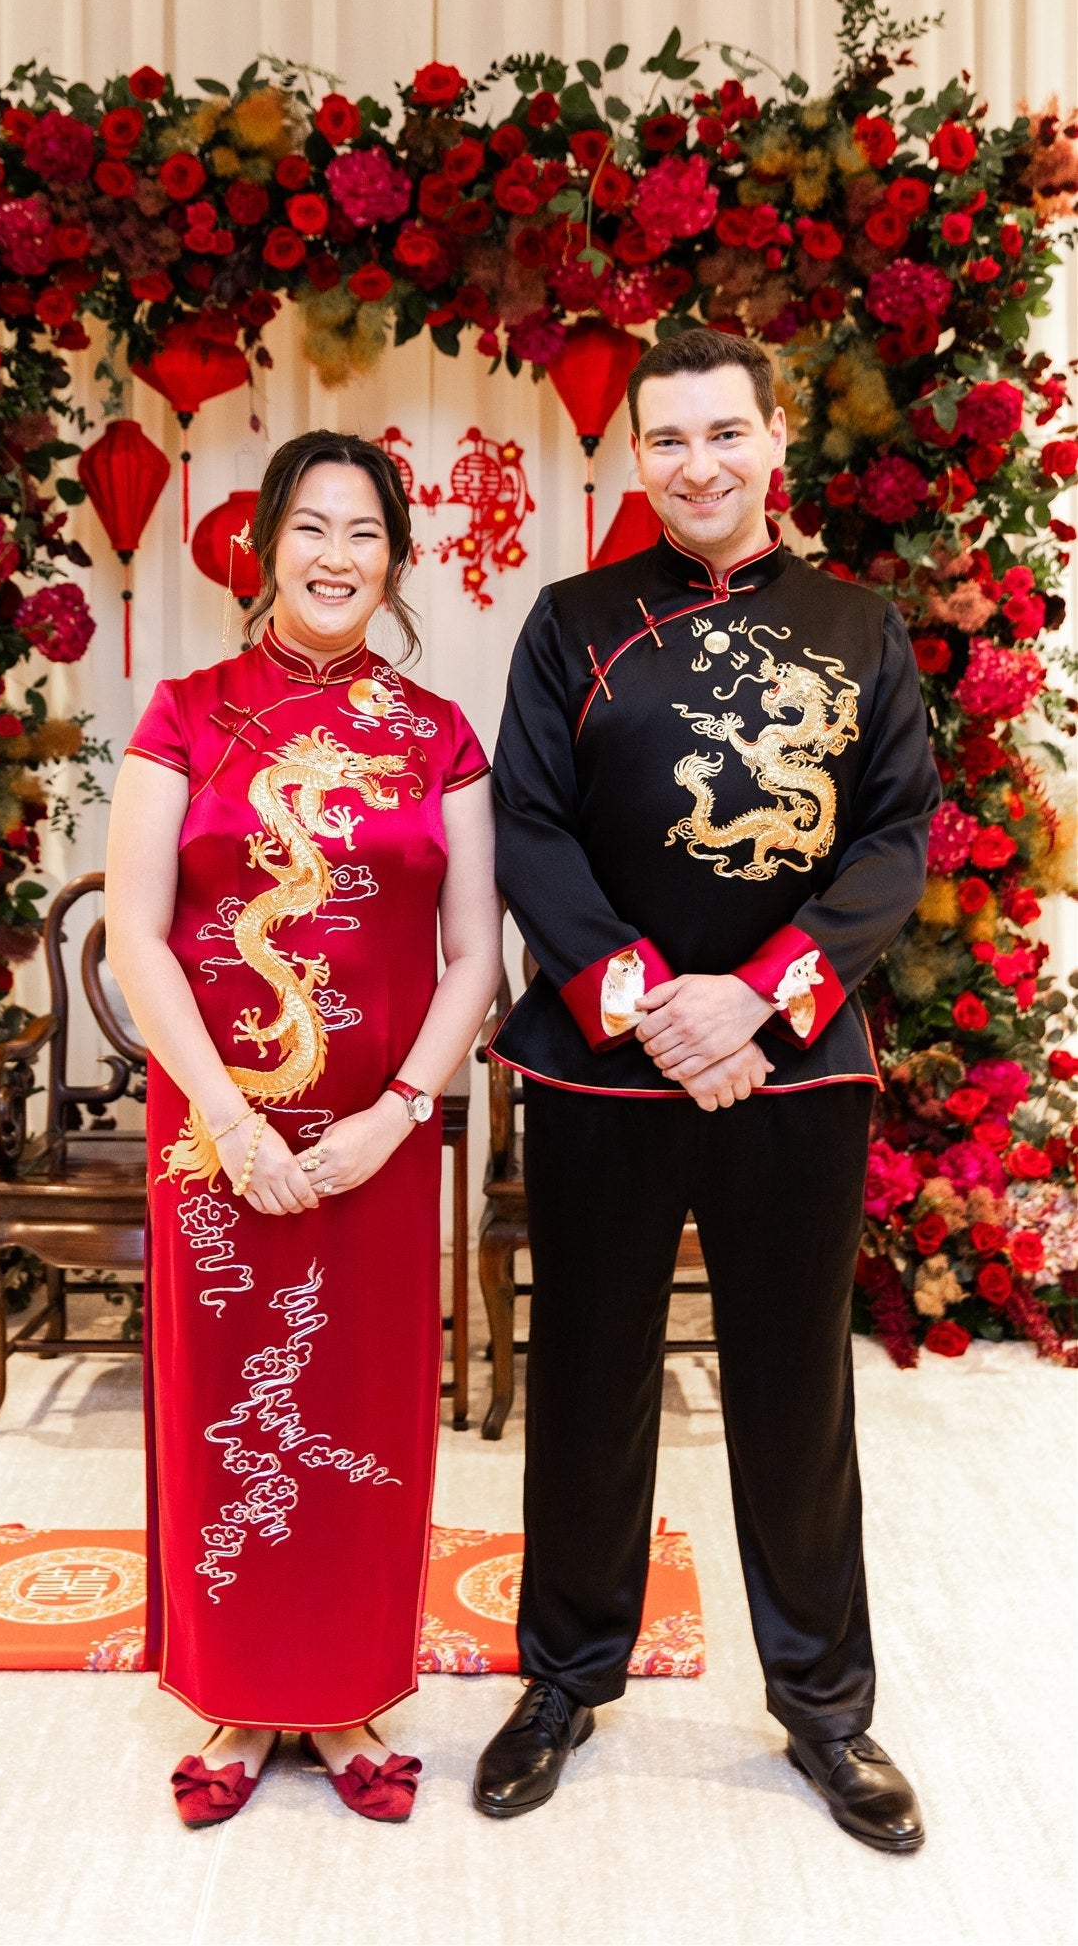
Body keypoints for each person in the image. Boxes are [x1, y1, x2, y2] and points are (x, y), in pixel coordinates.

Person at [475, 327, 939, 1852]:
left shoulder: (860, 626)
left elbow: (889, 842)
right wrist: (646, 1009)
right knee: (588, 1382)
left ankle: (824, 1712)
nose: (696, 465)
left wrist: (757, 999)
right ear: (635, 459)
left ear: (772, 441)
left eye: (722, 434)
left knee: (793, 1391)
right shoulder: (570, 622)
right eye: (666, 440)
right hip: (606, 1074)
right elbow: (530, 833)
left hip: (794, 1070)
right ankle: (561, 1683)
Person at [105, 430, 500, 1826]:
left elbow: (473, 961)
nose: (336, 558)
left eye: (365, 534)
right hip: (216, 1132)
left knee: (357, 1411)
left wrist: (400, 1118)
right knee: (227, 1409)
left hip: (373, 1141)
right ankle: (230, 1691)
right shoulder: (186, 712)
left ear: (395, 559)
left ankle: (342, 1696)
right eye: (311, 529)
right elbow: (136, 932)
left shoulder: (439, 732)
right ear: (263, 543)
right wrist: (228, 1118)